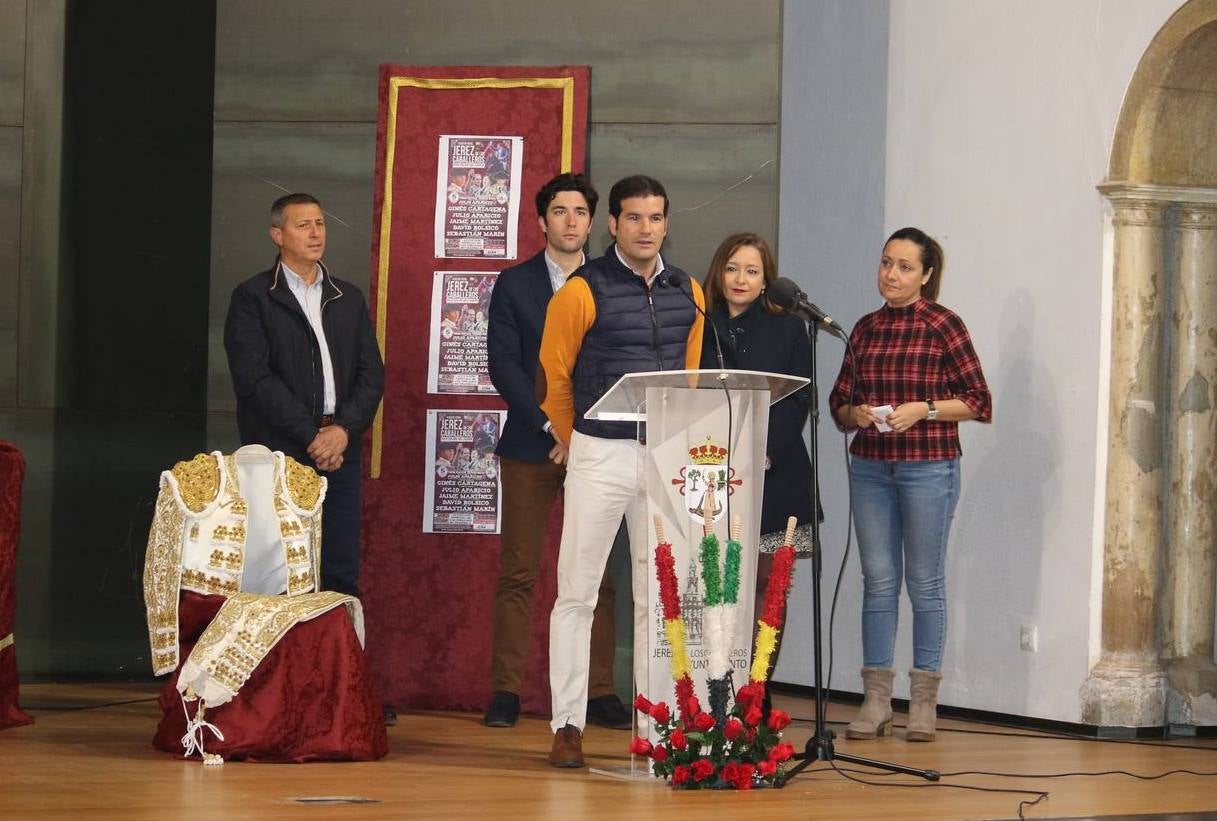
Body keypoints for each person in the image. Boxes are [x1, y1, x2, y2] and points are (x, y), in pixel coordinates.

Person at [540, 175, 704, 768]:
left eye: (655, 218)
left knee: (660, 596)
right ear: (612, 224)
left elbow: (690, 378)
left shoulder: (689, 289)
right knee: (577, 592)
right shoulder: (583, 289)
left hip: (663, 455)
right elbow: (554, 377)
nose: (644, 228)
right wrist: (574, 437)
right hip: (600, 452)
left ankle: (660, 726)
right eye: (633, 218)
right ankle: (567, 725)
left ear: (666, 223)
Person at [828, 227, 991, 742]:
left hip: (928, 467)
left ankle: (923, 704)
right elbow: (839, 405)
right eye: (885, 263)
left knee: (924, 583)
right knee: (877, 582)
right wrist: (859, 413)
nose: (890, 274)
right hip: (872, 467)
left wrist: (924, 409)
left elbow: (979, 402)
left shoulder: (944, 325)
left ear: (925, 275)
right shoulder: (865, 328)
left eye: (903, 266)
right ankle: (877, 700)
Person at [483, 173, 631, 731]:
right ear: (542, 220)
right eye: (559, 211)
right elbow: (506, 366)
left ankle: (598, 692)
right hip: (532, 443)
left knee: (599, 576)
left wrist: (580, 436)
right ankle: (506, 690)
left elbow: (614, 369)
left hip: (597, 450)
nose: (571, 221)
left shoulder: (608, 283)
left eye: (580, 212)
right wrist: (553, 429)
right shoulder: (515, 283)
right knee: (519, 571)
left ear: (594, 223)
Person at [223, 192, 385, 600]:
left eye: (321, 224)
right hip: (282, 454)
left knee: (340, 572)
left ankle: (337, 663)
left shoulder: (347, 297)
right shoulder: (253, 297)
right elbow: (254, 379)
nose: (316, 233)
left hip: (340, 452)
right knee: (281, 573)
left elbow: (372, 374)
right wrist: (313, 436)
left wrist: (343, 430)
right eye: (303, 225)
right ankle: (286, 665)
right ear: (277, 234)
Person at [698, 233, 814, 703]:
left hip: (775, 473)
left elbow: (798, 398)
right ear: (718, 273)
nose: (740, 279)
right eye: (732, 269)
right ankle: (715, 687)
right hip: (710, 476)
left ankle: (757, 690)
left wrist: (763, 448)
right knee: (716, 583)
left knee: (769, 587)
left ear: (766, 279)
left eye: (751, 270)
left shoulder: (789, 329)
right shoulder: (698, 323)